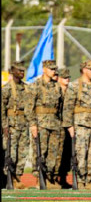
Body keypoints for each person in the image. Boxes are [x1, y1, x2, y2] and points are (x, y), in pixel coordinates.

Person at [63, 59, 91, 190]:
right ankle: (80, 179)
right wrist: (69, 126)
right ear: (84, 70)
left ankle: (89, 179)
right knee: (81, 154)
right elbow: (68, 107)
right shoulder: (74, 86)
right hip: (80, 124)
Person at [25, 59, 63, 189]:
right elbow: (29, 108)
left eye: (54, 69)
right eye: (51, 69)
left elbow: (60, 106)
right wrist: (33, 124)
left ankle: (48, 177)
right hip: (40, 123)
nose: (54, 71)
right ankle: (38, 179)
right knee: (40, 152)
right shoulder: (35, 86)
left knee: (53, 153)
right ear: (44, 70)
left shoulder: (57, 86)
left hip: (54, 123)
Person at [2, 62, 29, 189]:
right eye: (19, 71)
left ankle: (18, 177)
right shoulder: (6, 89)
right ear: (13, 72)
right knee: (11, 153)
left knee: (23, 152)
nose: (22, 73)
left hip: (24, 125)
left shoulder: (27, 88)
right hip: (12, 126)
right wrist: (4, 126)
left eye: (23, 71)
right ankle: (10, 177)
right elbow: (2, 109)